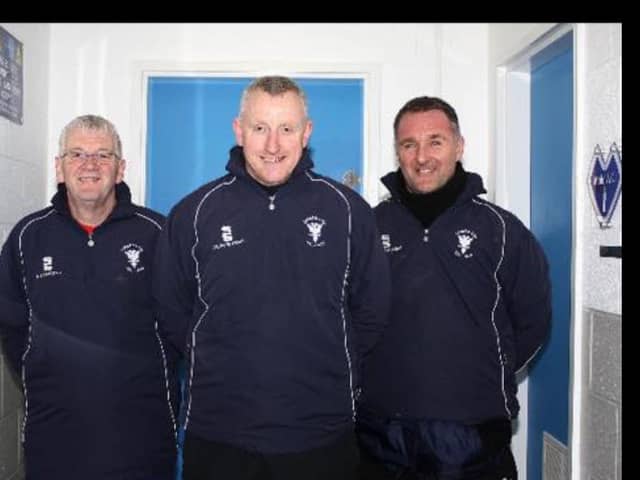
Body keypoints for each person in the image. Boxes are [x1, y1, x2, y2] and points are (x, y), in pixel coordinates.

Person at [152, 75, 390, 480]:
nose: (273, 145)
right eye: (260, 128)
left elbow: (372, 311)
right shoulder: (194, 213)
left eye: (286, 129)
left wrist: (329, 364)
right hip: (218, 436)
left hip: (322, 436)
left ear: (306, 132)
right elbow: (172, 313)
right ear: (239, 130)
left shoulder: (348, 211)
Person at [357, 96, 552, 480]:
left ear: (459, 146)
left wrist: (477, 371)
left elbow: (533, 322)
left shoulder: (501, 230)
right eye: (409, 144)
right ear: (397, 152)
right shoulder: (368, 227)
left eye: (436, 141)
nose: (422, 156)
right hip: (380, 432)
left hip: (471, 434)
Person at [0, 115, 178, 479]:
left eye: (103, 155)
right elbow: (12, 324)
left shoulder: (158, 234)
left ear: (120, 168)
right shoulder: (26, 237)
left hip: (142, 433)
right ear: (59, 167)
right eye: (77, 154)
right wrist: (49, 373)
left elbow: (180, 324)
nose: (90, 165)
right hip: (54, 433)